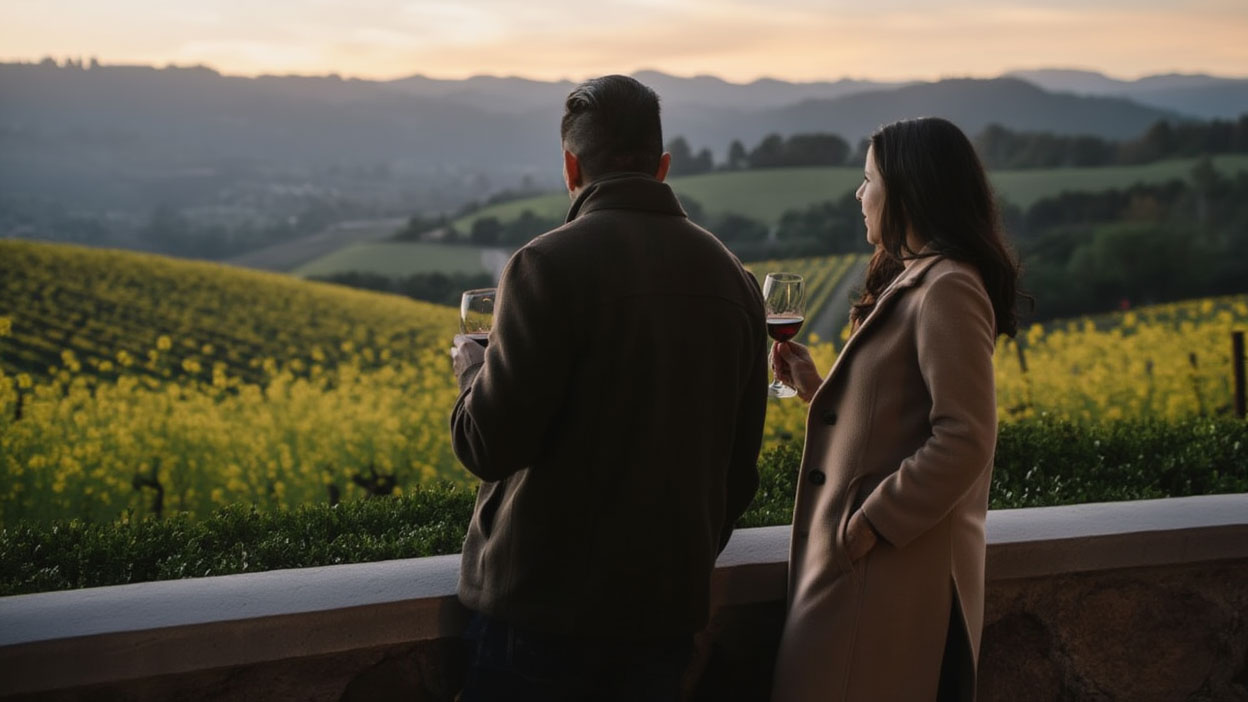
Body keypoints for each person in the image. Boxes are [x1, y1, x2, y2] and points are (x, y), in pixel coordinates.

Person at [448, 74, 768, 701]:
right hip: (663, 621)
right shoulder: (733, 279)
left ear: (571, 166)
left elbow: (486, 446)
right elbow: (739, 471)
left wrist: (471, 369)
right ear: (663, 165)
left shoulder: (545, 265)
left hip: (539, 619)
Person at [769, 117, 1022, 702]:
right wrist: (817, 388)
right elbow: (899, 413)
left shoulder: (948, 286)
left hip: (896, 576)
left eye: (867, 179)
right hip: (873, 573)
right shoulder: (919, 278)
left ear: (906, 190)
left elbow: (965, 436)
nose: (859, 195)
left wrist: (869, 525)